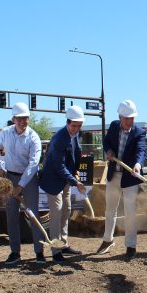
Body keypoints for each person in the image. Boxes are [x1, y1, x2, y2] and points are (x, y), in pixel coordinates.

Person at [0, 102, 59, 265]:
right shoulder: (5, 134)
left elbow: (33, 164)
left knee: (33, 214)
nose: (22, 121)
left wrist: (20, 185)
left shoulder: (33, 137)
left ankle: (39, 252)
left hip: (29, 179)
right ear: (13, 119)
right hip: (9, 177)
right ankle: (15, 253)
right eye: (19, 118)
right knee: (11, 215)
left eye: (25, 118)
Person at [96, 99, 146, 259]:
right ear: (120, 116)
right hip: (113, 176)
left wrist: (138, 165)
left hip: (130, 178)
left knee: (130, 212)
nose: (129, 121)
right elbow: (106, 142)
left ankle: (131, 246)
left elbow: (141, 151)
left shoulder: (139, 132)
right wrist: (109, 151)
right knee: (110, 210)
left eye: (132, 118)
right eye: (126, 118)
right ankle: (107, 240)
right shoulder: (113, 126)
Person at [39, 105, 87, 256]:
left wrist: (75, 171)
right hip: (53, 181)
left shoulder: (74, 135)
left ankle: (64, 244)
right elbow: (58, 166)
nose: (76, 129)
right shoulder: (60, 138)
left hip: (65, 180)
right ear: (68, 122)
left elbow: (74, 156)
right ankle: (55, 250)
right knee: (57, 213)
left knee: (66, 210)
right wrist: (75, 181)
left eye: (79, 126)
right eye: (74, 125)